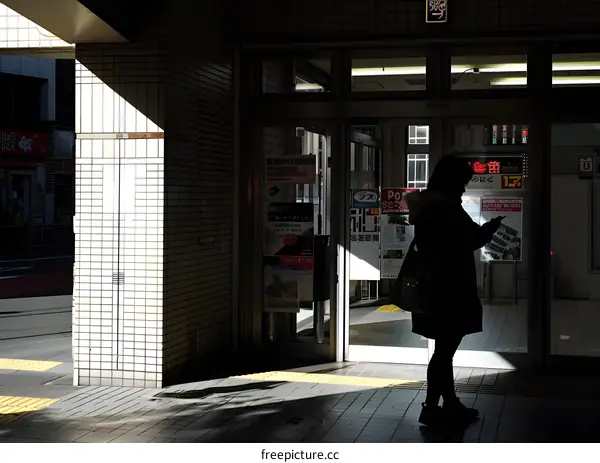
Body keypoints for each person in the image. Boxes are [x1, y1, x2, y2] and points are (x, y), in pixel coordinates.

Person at [405, 155, 504, 427]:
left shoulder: (429, 206)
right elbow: (466, 240)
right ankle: (434, 406)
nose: (464, 187)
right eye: (463, 181)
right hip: (448, 289)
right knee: (444, 351)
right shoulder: (445, 208)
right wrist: (488, 231)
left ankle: (446, 403)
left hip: (434, 288)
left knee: (443, 350)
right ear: (452, 180)